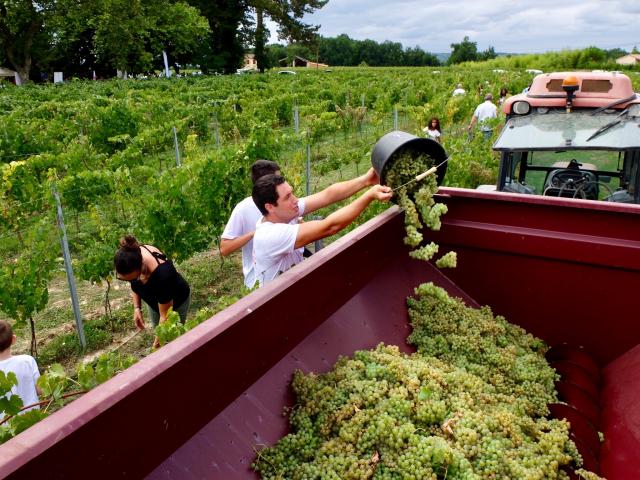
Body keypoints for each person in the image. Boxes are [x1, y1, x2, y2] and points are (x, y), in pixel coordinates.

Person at [252, 169, 392, 286]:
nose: (295, 199)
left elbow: (327, 196)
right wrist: (369, 196)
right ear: (270, 207)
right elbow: (330, 226)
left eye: (292, 193)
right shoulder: (270, 235)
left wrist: (365, 180)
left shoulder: (283, 212)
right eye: (287, 197)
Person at [114, 235, 190, 347]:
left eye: (133, 278)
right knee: (159, 332)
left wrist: (158, 343)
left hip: (176, 301)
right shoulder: (129, 257)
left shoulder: (162, 274)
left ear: (141, 268)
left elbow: (165, 315)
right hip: (155, 301)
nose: (130, 281)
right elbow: (134, 283)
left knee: (172, 340)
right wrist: (137, 308)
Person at [220, 160, 281, 288]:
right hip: (258, 283)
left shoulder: (283, 200)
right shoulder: (243, 208)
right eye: (277, 180)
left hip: (286, 274)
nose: (282, 183)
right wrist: (254, 233)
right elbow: (225, 248)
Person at [0, 320, 41, 417]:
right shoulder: (27, 361)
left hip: (5, 428)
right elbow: (40, 390)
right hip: (32, 419)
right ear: (13, 339)